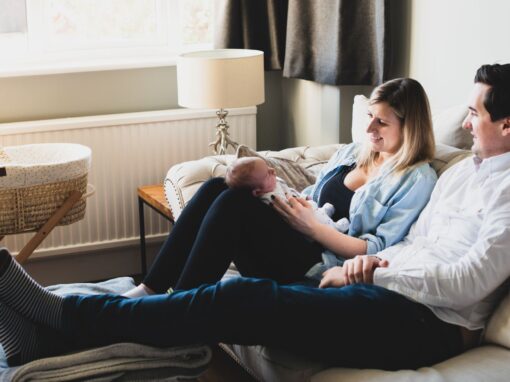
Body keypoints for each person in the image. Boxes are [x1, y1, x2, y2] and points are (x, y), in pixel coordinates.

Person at [0, 63, 509, 370]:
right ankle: (67, 324)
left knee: (242, 296)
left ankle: (64, 318)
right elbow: (415, 243)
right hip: (382, 287)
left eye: (475, 115)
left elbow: (469, 281)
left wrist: (375, 265)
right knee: (229, 192)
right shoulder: (464, 174)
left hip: (430, 320)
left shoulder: (488, 189)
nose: (464, 126)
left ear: (506, 126)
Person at [124, 77, 437, 297]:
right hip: (295, 235)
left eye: (381, 122)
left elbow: (377, 249)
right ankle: (150, 288)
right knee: (217, 186)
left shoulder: (416, 178)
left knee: (234, 205)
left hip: (319, 265)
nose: (369, 128)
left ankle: (178, 305)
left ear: (409, 127)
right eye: (369, 116)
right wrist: (284, 201)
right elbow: (313, 197)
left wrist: (314, 229)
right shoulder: (352, 154)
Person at [225, 156, 350, 233]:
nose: (273, 170)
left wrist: (303, 197)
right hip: (301, 222)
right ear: (257, 192)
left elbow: (290, 192)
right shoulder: (270, 199)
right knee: (216, 185)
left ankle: (324, 212)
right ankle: (336, 228)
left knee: (222, 190)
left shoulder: (271, 184)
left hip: (305, 211)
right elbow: (290, 213)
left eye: (269, 167)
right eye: (267, 173)